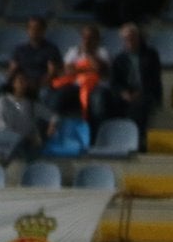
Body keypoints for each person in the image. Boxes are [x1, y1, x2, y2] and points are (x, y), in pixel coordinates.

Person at [93, 22, 163, 151]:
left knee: (137, 107)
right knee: (103, 99)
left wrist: (139, 93)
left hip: (146, 93)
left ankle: (138, 141)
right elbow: (115, 82)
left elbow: (154, 80)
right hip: (126, 94)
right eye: (126, 39)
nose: (129, 41)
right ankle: (103, 138)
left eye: (132, 38)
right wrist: (123, 93)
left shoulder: (151, 55)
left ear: (138, 38)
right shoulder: (119, 58)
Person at [51, 23, 109, 119]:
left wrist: (88, 54)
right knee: (58, 96)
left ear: (96, 39)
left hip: (96, 87)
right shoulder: (74, 51)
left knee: (98, 100)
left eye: (90, 38)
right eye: (85, 37)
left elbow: (99, 69)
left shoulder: (102, 52)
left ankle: (97, 130)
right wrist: (88, 69)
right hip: (76, 85)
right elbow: (66, 71)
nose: (87, 40)